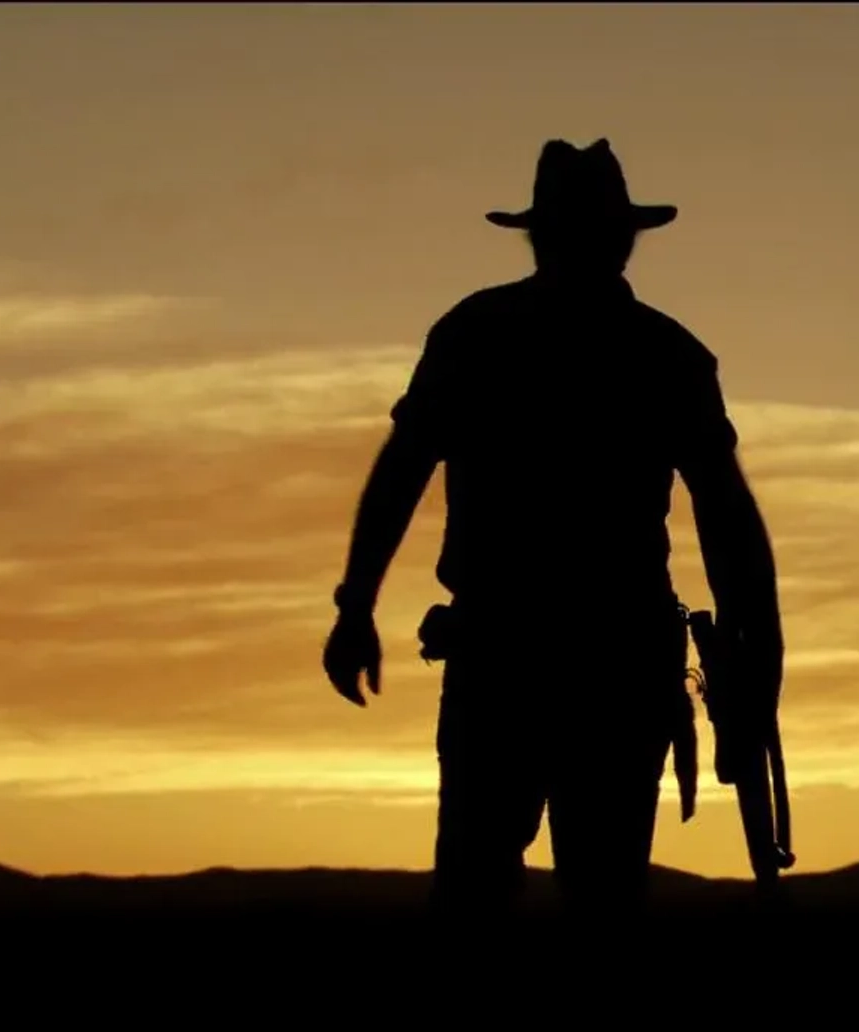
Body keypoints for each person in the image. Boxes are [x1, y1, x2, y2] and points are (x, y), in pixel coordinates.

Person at [320, 139, 784, 917]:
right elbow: (728, 516)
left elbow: (404, 467)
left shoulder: (479, 334)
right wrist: (759, 657)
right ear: (623, 235)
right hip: (579, 663)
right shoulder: (663, 354)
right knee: (578, 897)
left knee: (486, 890)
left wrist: (356, 606)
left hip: (528, 662)